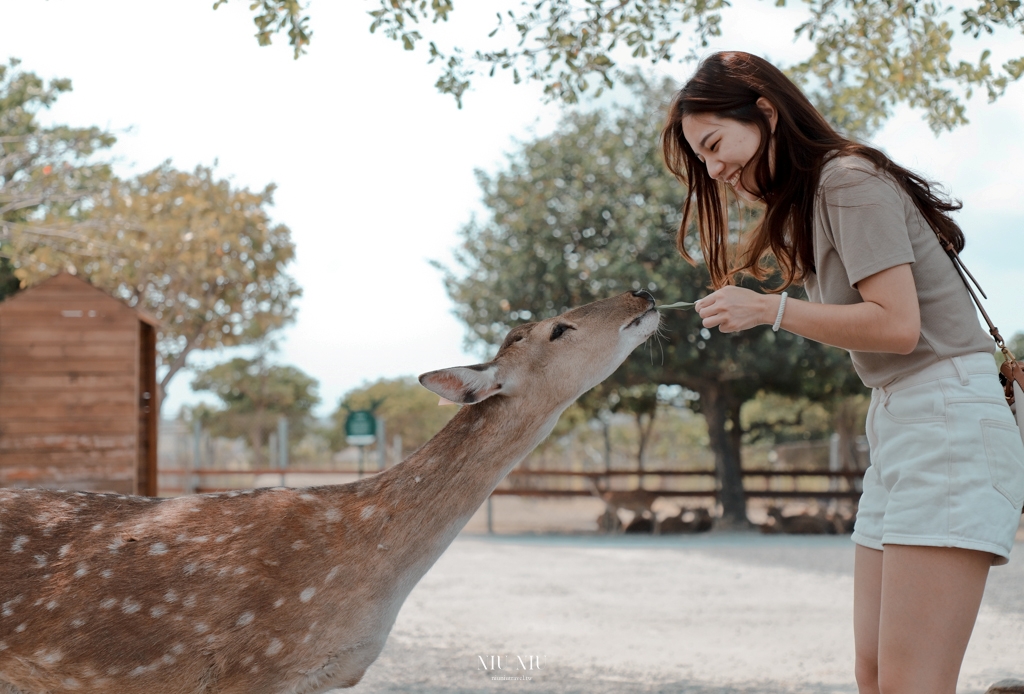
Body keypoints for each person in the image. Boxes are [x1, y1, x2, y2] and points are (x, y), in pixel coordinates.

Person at [661, 51, 1024, 694]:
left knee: (912, 683)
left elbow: (896, 325)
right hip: (902, 419)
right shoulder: (822, 195)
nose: (715, 171)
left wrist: (771, 309)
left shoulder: (846, 180)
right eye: (703, 159)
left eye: (716, 145)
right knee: (877, 675)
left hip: (944, 416)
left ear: (766, 113)